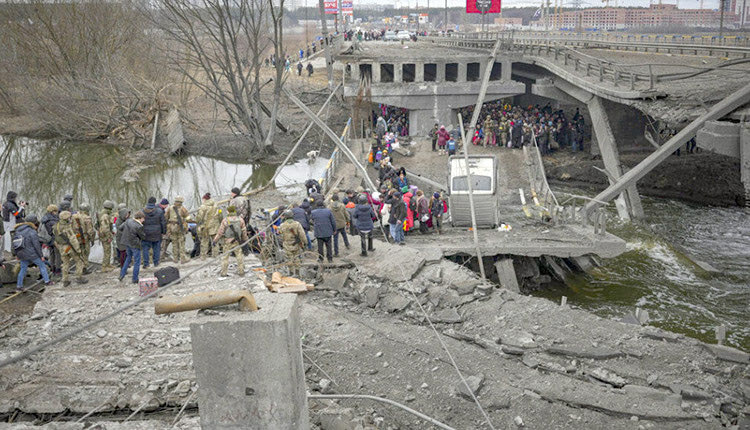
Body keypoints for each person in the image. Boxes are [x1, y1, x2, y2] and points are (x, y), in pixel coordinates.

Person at [12, 215, 52, 291]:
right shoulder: (32, 231)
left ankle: (19, 286)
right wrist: (41, 256)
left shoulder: (17, 230)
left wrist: (16, 254)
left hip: (21, 253)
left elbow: (14, 243)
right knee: (42, 266)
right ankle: (47, 281)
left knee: (23, 269)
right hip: (32, 254)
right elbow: (36, 245)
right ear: (33, 222)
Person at [54, 211, 88, 287]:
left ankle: (65, 280)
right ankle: (79, 277)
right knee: (79, 261)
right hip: (69, 247)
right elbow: (73, 239)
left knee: (65, 263)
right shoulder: (67, 227)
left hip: (62, 248)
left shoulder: (56, 226)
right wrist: (78, 249)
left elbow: (55, 238)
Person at [213, 206, 248, 278]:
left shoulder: (225, 220)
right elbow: (244, 231)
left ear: (228, 212)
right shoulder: (240, 220)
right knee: (239, 256)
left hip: (227, 242)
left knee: (225, 257)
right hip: (237, 241)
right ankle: (241, 271)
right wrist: (245, 240)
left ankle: (224, 273)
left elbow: (220, 232)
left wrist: (215, 240)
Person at [118, 211, 145, 284]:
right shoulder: (139, 226)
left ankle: (121, 275)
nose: (144, 220)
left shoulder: (128, 221)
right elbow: (143, 236)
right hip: (135, 245)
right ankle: (135, 279)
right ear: (139, 218)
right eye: (143, 219)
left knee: (128, 258)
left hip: (127, 243)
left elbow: (120, 228)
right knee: (137, 262)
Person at [278, 210, 306, 277]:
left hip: (287, 244)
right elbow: (302, 234)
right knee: (296, 258)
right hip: (296, 244)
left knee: (289, 259)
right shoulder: (297, 224)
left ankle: (291, 273)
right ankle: (297, 273)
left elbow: (280, 235)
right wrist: (305, 242)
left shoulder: (282, 225)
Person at [142, 197, 165, 268]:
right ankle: (156, 262)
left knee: (145, 248)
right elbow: (163, 223)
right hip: (157, 233)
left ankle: (146, 263)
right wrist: (163, 232)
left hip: (146, 233)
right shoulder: (159, 211)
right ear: (155, 203)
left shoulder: (142, 211)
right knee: (156, 248)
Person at [165, 196, 190, 264]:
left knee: (174, 243)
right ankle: (182, 259)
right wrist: (185, 221)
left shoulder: (170, 208)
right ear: (181, 202)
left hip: (171, 227)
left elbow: (166, 217)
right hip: (179, 227)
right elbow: (188, 217)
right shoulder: (182, 209)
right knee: (181, 243)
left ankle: (175, 259)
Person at [195, 194, 220, 259]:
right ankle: (215, 256)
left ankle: (203, 257)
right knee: (215, 241)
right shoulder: (216, 206)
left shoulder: (202, 207)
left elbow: (198, 218)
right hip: (215, 227)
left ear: (204, 199)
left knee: (204, 242)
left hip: (205, 227)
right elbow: (220, 216)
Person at [96, 200, 116, 272]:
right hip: (105, 236)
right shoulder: (105, 216)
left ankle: (108, 264)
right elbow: (105, 228)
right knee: (107, 251)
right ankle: (104, 267)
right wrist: (109, 237)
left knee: (108, 250)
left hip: (103, 234)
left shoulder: (101, 213)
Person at [41, 204, 61, 275]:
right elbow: (57, 230)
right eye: (56, 211)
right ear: (53, 211)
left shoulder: (45, 218)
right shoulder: (52, 220)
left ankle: (52, 269)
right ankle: (58, 270)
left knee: (52, 254)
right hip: (54, 239)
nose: (57, 213)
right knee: (58, 255)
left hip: (48, 240)